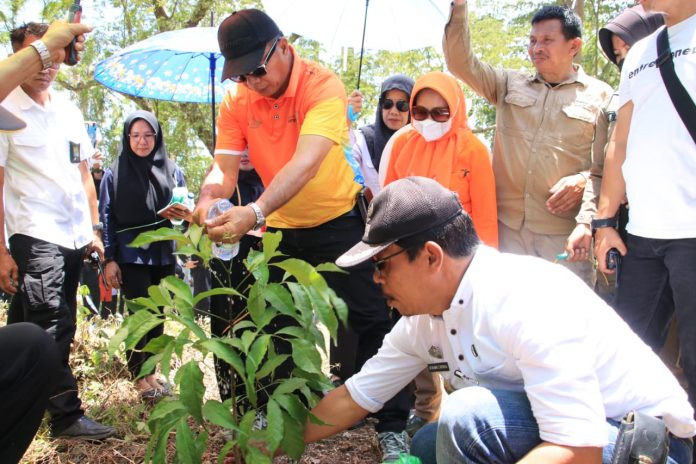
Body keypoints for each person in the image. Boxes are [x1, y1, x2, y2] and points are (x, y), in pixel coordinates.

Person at [301, 176, 695, 464]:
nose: (376, 278)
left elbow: (579, 449)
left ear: (431, 257)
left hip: (645, 445)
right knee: (429, 443)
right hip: (585, 437)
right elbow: (354, 398)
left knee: (468, 418)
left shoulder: (522, 296)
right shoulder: (421, 322)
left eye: (383, 264)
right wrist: (267, 442)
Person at [193, 9, 411, 460]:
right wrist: (208, 198)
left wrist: (253, 211)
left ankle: (392, 426)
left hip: (338, 222)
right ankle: (275, 414)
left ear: (284, 47)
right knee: (274, 323)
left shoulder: (321, 85)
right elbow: (224, 164)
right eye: (242, 74)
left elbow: (306, 162)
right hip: (282, 228)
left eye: (258, 69)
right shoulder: (238, 99)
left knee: (374, 318)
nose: (253, 82)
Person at [0, 21, 115, 441]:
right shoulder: (5, 108)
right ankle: (66, 415)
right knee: (52, 323)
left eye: (53, 55)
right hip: (33, 231)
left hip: (72, 234)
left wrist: (95, 229)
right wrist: (1, 250)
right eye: (37, 55)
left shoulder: (68, 108)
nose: (46, 65)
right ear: (18, 57)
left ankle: (15, 402)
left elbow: (82, 174)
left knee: (29, 324)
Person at [444, 1, 613, 285]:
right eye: (533, 40)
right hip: (506, 231)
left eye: (547, 40)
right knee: (506, 318)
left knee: (562, 320)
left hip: (562, 236)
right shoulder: (508, 83)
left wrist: (582, 182)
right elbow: (460, 62)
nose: (537, 48)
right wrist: (459, 8)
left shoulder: (601, 95)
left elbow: (608, 167)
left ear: (574, 46)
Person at [594, 0, 696, 428]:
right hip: (643, 236)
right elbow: (620, 142)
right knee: (625, 359)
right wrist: (604, 223)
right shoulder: (638, 53)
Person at [564, 5, 664, 307]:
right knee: (637, 329)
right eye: (619, 56)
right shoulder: (615, 102)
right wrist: (594, 224)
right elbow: (600, 170)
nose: (627, 61)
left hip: (681, 229)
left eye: (630, 48)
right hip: (629, 234)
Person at [100, 110, 187, 400]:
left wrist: (181, 218)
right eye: (135, 136)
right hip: (131, 254)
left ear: (157, 137)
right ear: (127, 138)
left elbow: (184, 211)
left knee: (160, 313)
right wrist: (109, 259)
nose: (142, 141)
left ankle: (152, 372)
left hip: (163, 252)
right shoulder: (114, 173)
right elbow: (107, 217)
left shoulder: (173, 170)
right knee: (140, 315)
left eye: (148, 135)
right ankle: (139, 376)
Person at [381, 71, 498, 248]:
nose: (429, 120)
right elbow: (389, 208)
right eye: (420, 112)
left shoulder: (474, 150)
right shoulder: (401, 144)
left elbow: (485, 218)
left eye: (439, 113)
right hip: (410, 248)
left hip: (458, 251)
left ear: (454, 110)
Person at [208, 150, 265, 402]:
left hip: (263, 267)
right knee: (227, 328)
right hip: (227, 269)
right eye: (238, 148)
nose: (243, 154)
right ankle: (233, 399)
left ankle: (263, 399)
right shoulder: (218, 187)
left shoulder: (274, 181)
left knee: (261, 328)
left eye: (250, 146)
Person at [352, 74, 414, 196]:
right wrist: (345, 120)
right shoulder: (362, 139)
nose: (394, 111)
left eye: (402, 105)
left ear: (412, 108)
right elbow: (341, 158)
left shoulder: (421, 144)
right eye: (387, 103)